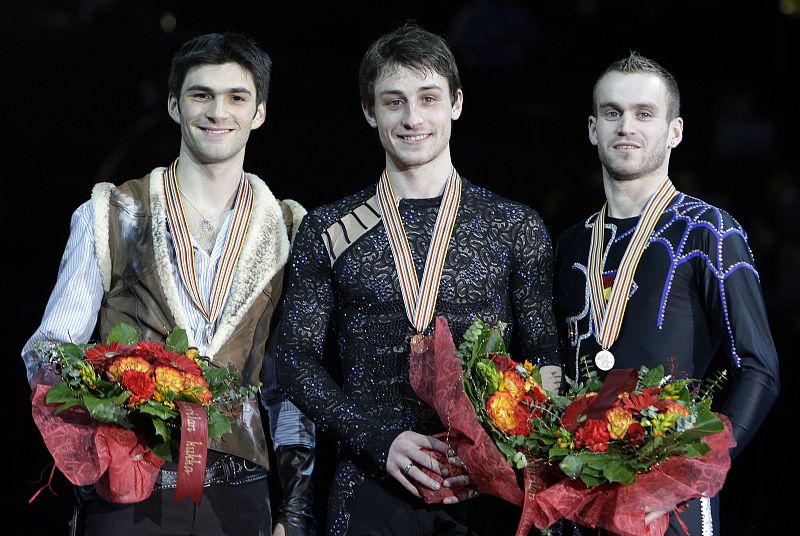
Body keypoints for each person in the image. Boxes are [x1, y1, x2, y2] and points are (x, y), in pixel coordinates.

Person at [271, 22, 561, 536]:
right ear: (369, 111)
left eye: (428, 98)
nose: (412, 118)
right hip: (368, 484)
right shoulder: (327, 228)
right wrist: (382, 441)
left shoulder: (514, 225)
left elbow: (545, 356)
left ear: (456, 103)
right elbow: (295, 361)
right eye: (394, 101)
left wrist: (509, 451)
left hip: (488, 491)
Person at [22, 32, 315, 536]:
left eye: (236, 97)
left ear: (259, 113)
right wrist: (101, 437)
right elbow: (48, 352)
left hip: (239, 493)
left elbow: (287, 386)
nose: (217, 111)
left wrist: (296, 510)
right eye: (201, 95)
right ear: (175, 105)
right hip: (131, 488)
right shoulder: (111, 214)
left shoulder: (288, 231)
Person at [553, 51, 780, 534]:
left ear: (674, 131)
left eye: (644, 114)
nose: (625, 127)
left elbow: (760, 369)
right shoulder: (571, 243)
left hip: (670, 508)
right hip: (577, 503)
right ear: (593, 129)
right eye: (612, 113)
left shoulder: (709, 233)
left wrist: (689, 475)